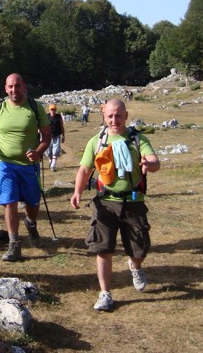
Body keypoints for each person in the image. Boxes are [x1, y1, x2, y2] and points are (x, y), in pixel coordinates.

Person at [69, 98, 160, 312]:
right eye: (110, 115)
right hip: (105, 202)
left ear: (126, 116)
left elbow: (155, 162)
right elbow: (84, 169)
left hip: (133, 202)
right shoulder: (97, 141)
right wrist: (77, 192)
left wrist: (150, 163)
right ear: (104, 116)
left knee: (139, 249)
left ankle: (135, 266)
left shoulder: (138, 139)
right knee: (103, 248)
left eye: (118, 115)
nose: (114, 120)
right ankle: (105, 293)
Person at [0, 73, 51, 262]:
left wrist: (38, 152)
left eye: (17, 86)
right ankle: (14, 244)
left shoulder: (35, 107)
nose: (14, 90)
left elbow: (47, 137)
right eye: (10, 87)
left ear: (23, 86)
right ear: (5, 88)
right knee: (10, 202)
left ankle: (31, 223)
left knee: (32, 204)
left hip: (29, 165)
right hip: (6, 164)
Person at [45, 104, 65, 172]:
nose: (52, 111)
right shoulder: (46, 116)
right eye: (51, 109)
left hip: (57, 136)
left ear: (55, 110)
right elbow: (43, 126)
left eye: (54, 109)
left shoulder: (58, 117)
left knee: (55, 151)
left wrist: (63, 136)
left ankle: (53, 165)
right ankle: (50, 160)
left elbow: (62, 126)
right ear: (49, 110)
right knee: (48, 153)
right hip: (48, 137)